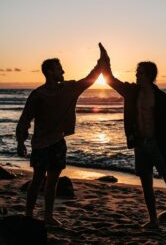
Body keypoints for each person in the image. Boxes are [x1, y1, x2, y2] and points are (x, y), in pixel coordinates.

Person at [99, 43, 166, 234]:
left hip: (160, 145)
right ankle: (153, 220)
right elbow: (111, 81)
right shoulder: (132, 92)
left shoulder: (161, 97)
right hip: (140, 144)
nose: (136, 75)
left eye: (139, 72)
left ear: (148, 75)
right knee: (146, 184)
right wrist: (106, 61)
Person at [16, 50, 102, 225]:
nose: (63, 72)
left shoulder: (68, 88)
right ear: (49, 72)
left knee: (52, 182)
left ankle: (48, 216)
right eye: (59, 69)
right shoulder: (38, 95)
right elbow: (25, 118)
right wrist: (20, 141)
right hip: (41, 144)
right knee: (37, 180)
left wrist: (101, 63)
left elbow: (89, 80)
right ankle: (28, 215)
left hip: (58, 142)